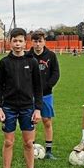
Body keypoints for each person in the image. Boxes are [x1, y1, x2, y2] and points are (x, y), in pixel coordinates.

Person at [0, 27, 45, 168]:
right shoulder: (4, 63)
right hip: (8, 107)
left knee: (29, 143)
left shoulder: (32, 62)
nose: (17, 44)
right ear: (10, 43)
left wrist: (37, 109)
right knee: (8, 142)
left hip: (27, 108)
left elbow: (38, 88)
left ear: (25, 43)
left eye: (20, 41)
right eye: (14, 41)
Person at [28, 31, 60, 159]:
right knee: (32, 121)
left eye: (40, 41)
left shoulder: (51, 55)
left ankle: (48, 151)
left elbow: (56, 73)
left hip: (46, 94)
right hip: (30, 95)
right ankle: (32, 149)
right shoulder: (27, 56)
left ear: (44, 41)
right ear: (32, 42)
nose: (37, 44)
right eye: (35, 41)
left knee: (47, 121)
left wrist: (47, 86)